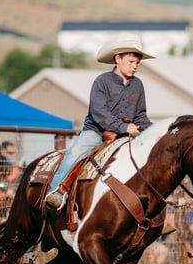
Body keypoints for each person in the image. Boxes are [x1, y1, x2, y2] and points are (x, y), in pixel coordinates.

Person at [45, 33, 154, 211]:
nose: (134, 67)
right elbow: (99, 113)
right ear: (117, 58)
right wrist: (124, 126)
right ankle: (56, 192)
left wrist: (151, 131)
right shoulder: (101, 82)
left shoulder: (138, 85)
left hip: (126, 134)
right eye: (131, 62)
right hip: (97, 131)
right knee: (76, 152)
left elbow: (141, 115)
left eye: (137, 63)